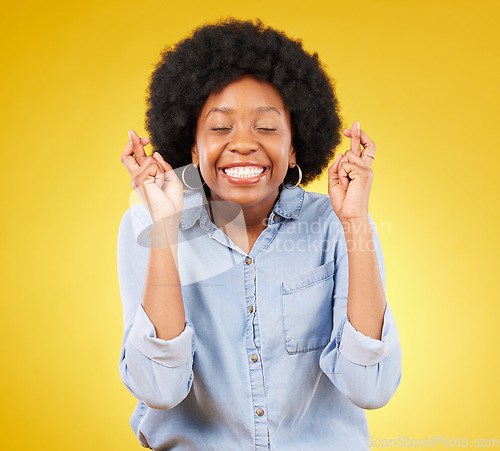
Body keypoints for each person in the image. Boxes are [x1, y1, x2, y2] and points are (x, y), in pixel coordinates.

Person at [117, 18, 402, 451]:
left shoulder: (338, 224)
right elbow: (160, 388)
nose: (243, 143)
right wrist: (165, 226)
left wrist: (356, 223)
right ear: (193, 149)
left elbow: (371, 388)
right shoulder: (146, 227)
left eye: (266, 127)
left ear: (293, 150)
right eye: (220, 127)